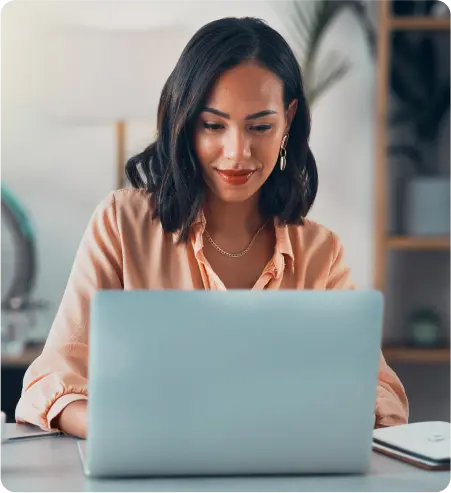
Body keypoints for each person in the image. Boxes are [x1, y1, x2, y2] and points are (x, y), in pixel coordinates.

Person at [15, 17, 408, 439]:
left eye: (260, 126)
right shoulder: (121, 225)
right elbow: (50, 381)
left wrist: (328, 416)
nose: (237, 152)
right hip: (150, 465)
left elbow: (380, 392)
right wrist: (121, 430)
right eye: (213, 125)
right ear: (185, 123)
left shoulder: (319, 253)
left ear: (288, 121)